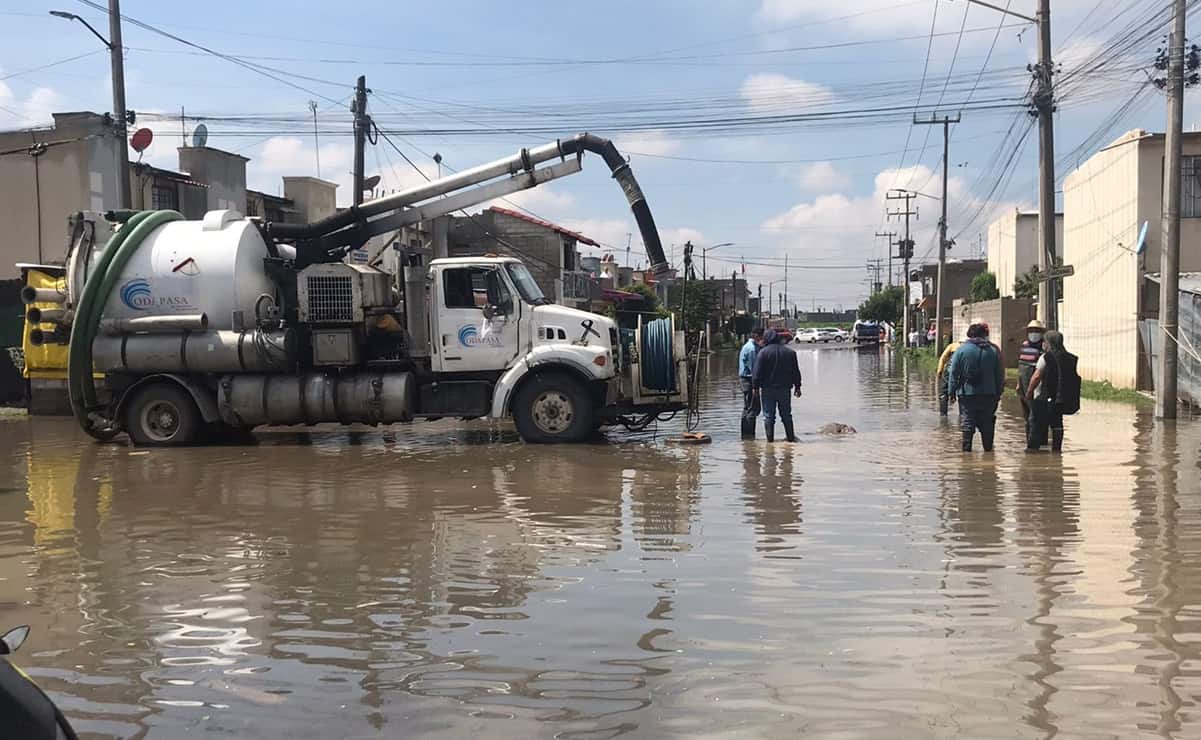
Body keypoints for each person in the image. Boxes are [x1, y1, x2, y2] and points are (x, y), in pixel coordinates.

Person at [946, 322, 1005, 452]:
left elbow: (953, 373)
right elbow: (1000, 374)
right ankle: (988, 453)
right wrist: (998, 392)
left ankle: (966, 456)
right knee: (987, 424)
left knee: (967, 423)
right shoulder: (993, 351)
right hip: (989, 395)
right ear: (983, 335)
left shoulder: (961, 350)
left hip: (967, 394)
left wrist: (951, 392)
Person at [1026, 330, 1077, 452]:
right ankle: (1057, 451)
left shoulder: (1046, 357)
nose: (1043, 344)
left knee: (1036, 424)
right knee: (1057, 425)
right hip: (1060, 398)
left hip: (1043, 398)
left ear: (1048, 343)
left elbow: (1037, 376)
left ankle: (1032, 451)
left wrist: (1029, 392)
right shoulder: (1070, 358)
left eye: (1045, 341)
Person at [752, 328, 803, 442]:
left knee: (768, 416)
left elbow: (757, 373)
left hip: (767, 389)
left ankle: (770, 442)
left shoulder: (763, 353)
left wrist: (755, 388)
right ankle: (790, 438)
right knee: (786, 415)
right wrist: (798, 387)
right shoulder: (790, 353)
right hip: (784, 389)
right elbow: (795, 371)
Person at [1016, 319, 1046, 446]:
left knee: (1036, 416)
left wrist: (1032, 389)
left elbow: (1041, 372)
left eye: (1037, 331)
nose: (1034, 333)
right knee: (1026, 416)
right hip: (1023, 384)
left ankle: (1036, 445)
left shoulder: (1044, 347)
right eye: (1031, 331)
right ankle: (1029, 441)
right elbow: (1020, 366)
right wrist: (1018, 384)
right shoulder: (1024, 345)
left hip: (1036, 386)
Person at [935, 324, 971, 416]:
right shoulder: (970, 348)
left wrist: (939, 371)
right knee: (963, 394)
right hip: (963, 373)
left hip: (949, 372)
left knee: (944, 393)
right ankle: (963, 415)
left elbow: (942, 358)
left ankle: (943, 415)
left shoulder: (952, 346)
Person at [738, 327, 766, 439]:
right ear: (756, 336)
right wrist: (756, 388)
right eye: (761, 336)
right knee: (752, 408)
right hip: (749, 380)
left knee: (748, 407)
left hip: (746, 379)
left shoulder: (751, 347)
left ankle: (746, 436)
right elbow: (755, 370)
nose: (763, 339)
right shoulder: (752, 350)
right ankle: (749, 436)